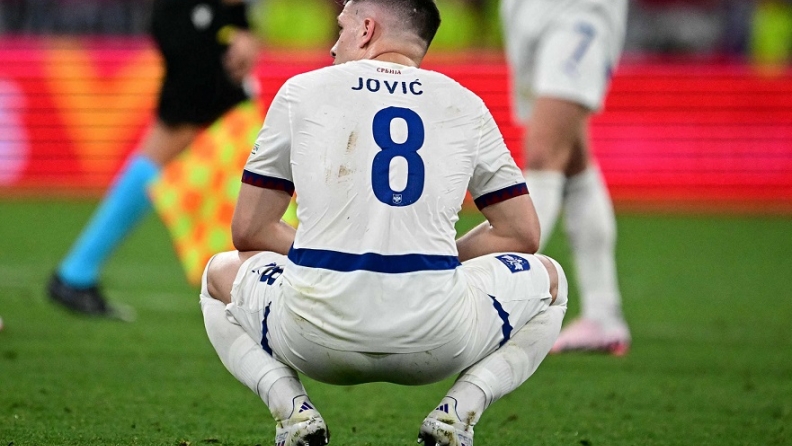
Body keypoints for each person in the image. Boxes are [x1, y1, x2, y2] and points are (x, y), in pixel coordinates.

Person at [199, 1, 569, 445]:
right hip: (437, 339)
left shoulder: (301, 91)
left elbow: (249, 231)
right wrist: (434, 258)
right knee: (551, 281)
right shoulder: (466, 103)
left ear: (367, 30)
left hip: (313, 337)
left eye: (342, 27)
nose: (334, 45)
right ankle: (458, 414)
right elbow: (521, 233)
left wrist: (332, 252)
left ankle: (292, 413)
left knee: (218, 274)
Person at [48, 0, 262, 320]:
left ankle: (76, 272)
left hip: (199, 22)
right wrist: (241, 28)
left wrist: (241, 27)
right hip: (191, 23)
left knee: (198, 146)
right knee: (189, 141)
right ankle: (75, 273)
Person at [499, 0, 631, 355]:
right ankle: (602, 314)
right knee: (573, 160)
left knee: (544, 153)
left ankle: (497, 298)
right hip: (527, 13)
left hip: (579, 12)